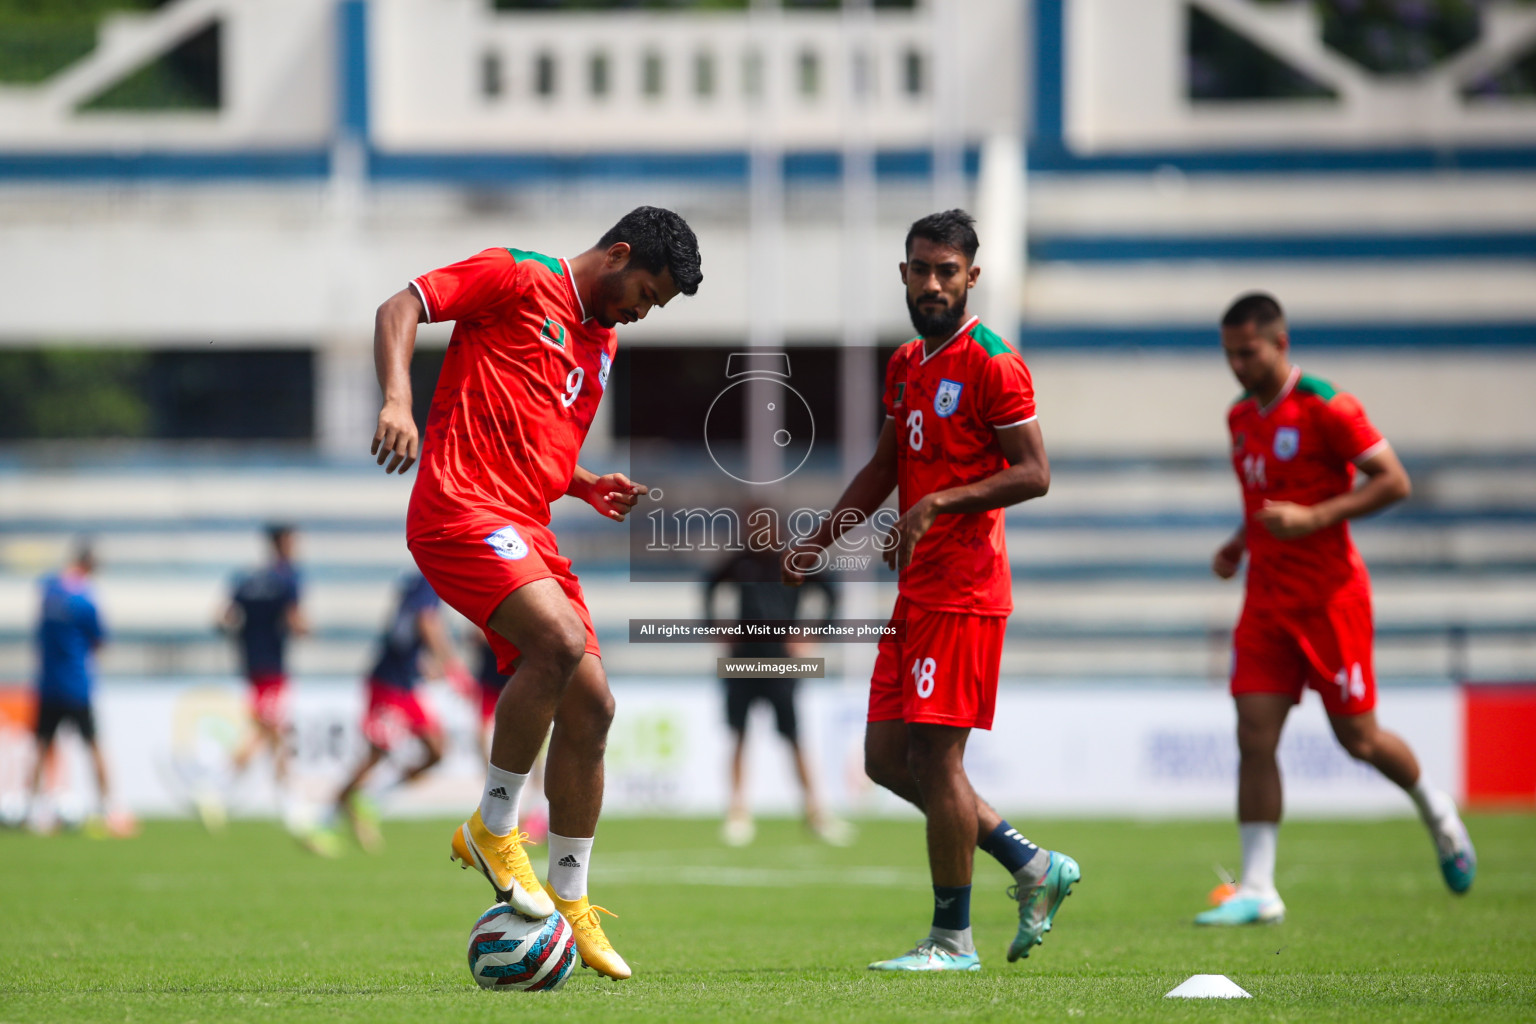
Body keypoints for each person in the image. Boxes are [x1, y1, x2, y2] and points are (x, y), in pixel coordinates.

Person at [370, 207, 702, 980]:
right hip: (458, 506)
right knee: (557, 643)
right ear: (618, 254)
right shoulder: (520, 276)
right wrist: (396, 399)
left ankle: (572, 896)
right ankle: (493, 826)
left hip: (527, 527)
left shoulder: (601, 343)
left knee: (594, 705)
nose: (641, 313)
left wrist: (583, 483)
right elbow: (401, 305)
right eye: (644, 294)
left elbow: (540, 443)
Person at [784, 210, 1078, 972]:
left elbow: (1035, 473)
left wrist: (938, 504)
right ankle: (1032, 864)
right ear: (905, 273)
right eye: (922, 268)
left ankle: (953, 941)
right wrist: (819, 540)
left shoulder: (993, 363)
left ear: (971, 277)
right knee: (887, 760)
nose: (934, 282)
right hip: (916, 591)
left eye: (949, 271)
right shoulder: (908, 362)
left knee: (937, 762)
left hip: (966, 590)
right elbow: (886, 467)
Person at [1197, 292, 1476, 925]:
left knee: (1359, 739)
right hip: (1266, 599)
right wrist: (1241, 543)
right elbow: (1263, 497)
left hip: (1329, 600)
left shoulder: (1327, 406)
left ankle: (1438, 812)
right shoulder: (1240, 418)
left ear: (1280, 343)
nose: (1238, 366)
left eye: (1248, 353)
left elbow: (1394, 480)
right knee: (1253, 734)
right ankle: (1260, 889)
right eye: (1229, 355)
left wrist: (1315, 517)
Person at [703, 544, 851, 847]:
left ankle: (815, 813)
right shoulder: (740, 561)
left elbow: (831, 592)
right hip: (743, 660)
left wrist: (814, 634)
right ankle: (738, 814)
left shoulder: (793, 561)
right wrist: (715, 626)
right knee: (739, 735)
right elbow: (709, 586)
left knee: (794, 737)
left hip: (781, 661)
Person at [329, 570, 467, 854]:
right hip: (388, 683)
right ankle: (327, 816)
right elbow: (425, 623)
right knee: (377, 754)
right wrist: (452, 665)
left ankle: (373, 801)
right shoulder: (430, 582)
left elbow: (403, 631)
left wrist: (422, 664)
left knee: (437, 750)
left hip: (406, 683)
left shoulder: (416, 583)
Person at [24, 541, 134, 837]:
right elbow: (100, 641)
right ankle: (112, 810)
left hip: (48, 683)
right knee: (94, 746)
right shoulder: (85, 601)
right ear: (90, 567)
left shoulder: (49, 590)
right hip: (76, 684)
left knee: (42, 746)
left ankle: (30, 810)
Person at [221, 523, 307, 825]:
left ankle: (286, 800)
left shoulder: (247, 579)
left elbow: (223, 619)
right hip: (274, 667)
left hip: (250, 665)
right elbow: (297, 622)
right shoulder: (289, 579)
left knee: (275, 732)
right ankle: (217, 785)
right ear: (282, 542)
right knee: (267, 730)